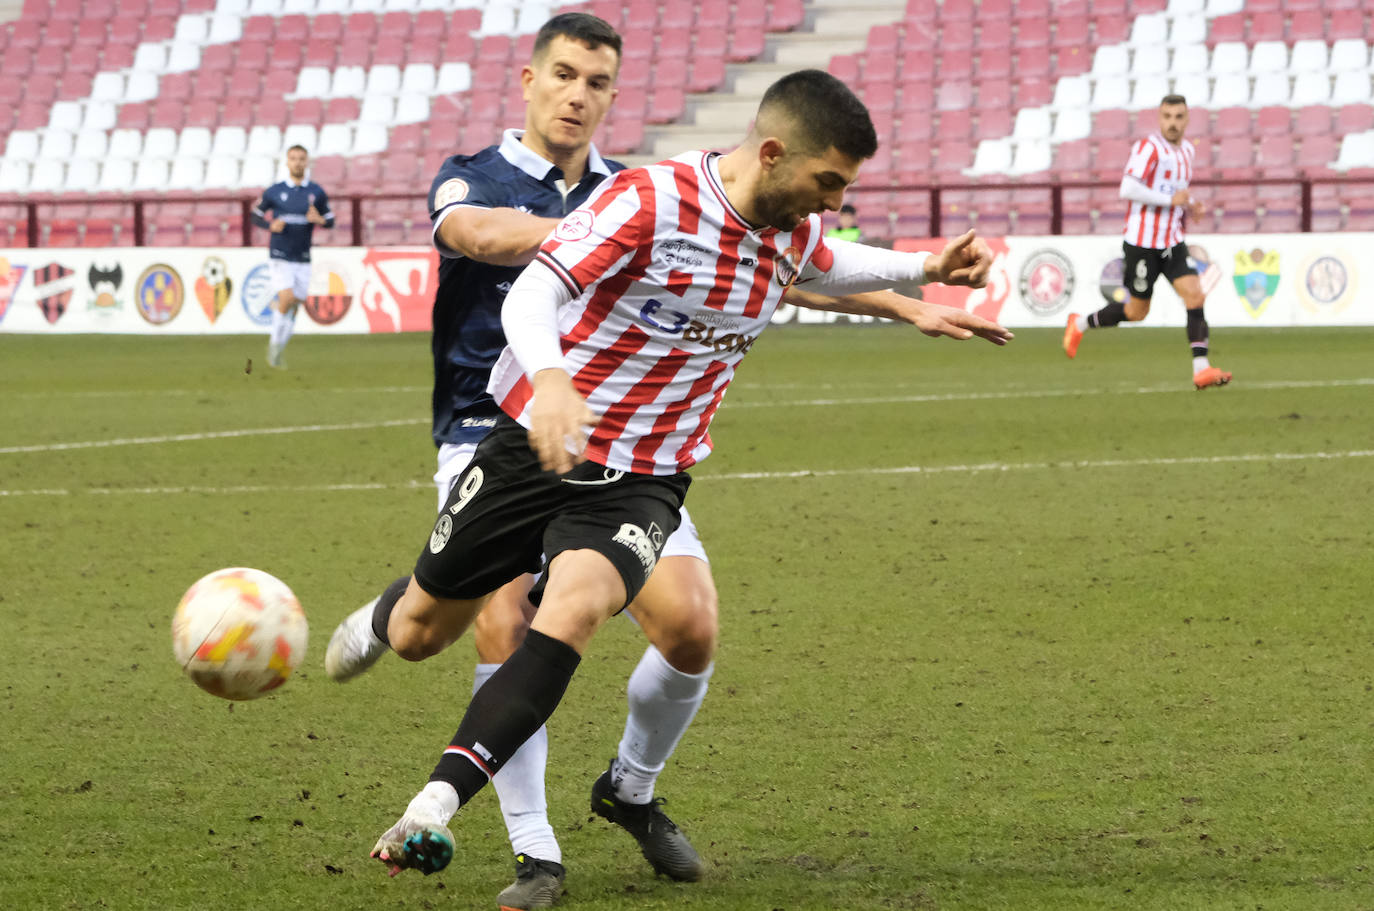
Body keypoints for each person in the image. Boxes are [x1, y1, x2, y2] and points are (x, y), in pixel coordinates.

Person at [342, 68, 1009, 885]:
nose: (830, 200)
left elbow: (828, 262)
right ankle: (392, 606)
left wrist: (922, 270)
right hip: (538, 440)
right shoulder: (650, 200)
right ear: (771, 153)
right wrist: (552, 379)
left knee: (574, 609)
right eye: (826, 181)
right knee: (420, 633)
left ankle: (431, 807)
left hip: (645, 475)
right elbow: (538, 291)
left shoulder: (792, 230)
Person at [326, 15, 714, 908]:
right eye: (566, 76)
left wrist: (894, 292)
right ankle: (536, 853)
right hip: (490, 427)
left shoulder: (634, 191)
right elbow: (478, 237)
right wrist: (606, 240)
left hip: (621, 443)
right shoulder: (472, 176)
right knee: (469, 627)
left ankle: (630, 790)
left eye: (599, 83)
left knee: (690, 627)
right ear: (530, 79)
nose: (580, 95)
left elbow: (737, 253)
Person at [1062, 94, 1231, 390]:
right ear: (1159, 118)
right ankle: (1079, 324)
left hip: (1172, 241)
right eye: (1168, 117)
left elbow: (1176, 192)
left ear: (1187, 119)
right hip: (1142, 243)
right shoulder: (1150, 148)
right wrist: (1170, 200)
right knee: (1136, 313)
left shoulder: (1188, 151)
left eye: (1179, 117)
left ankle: (1201, 369)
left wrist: (1190, 205)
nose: (1173, 123)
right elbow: (1128, 188)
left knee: (1195, 295)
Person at [250, 144, 333, 369]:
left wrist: (320, 220)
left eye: (301, 158)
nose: (297, 162)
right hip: (280, 254)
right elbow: (255, 214)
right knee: (285, 298)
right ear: (287, 162)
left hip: (303, 256)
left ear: (307, 163)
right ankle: (274, 347)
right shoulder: (275, 191)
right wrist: (270, 225)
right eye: (293, 158)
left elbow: (330, 220)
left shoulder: (316, 192)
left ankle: (278, 351)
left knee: (296, 304)